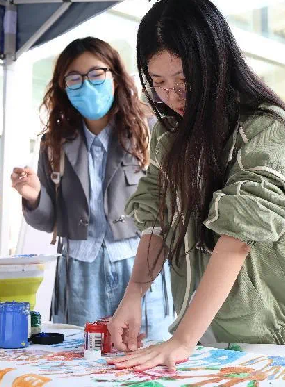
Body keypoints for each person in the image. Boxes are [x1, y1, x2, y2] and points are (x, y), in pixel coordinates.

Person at [107, 0, 285, 371]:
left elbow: (237, 238)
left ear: (215, 62)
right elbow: (157, 219)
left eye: (183, 79)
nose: (172, 95)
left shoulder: (265, 128)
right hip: (211, 333)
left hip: (282, 334)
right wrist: (133, 295)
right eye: (159, 82)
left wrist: (182, 340)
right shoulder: (168, 134)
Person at [11, 37, 173, 340]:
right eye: (74, 78)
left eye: (96, 74)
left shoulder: (149, 130)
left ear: (115, 76)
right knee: (82, 354)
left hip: (140, 264)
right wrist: (33, 196)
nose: (87, 85)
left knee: (147, 353)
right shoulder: (53, 143)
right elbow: (48, 220)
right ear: (64, 87)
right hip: (79, 273)